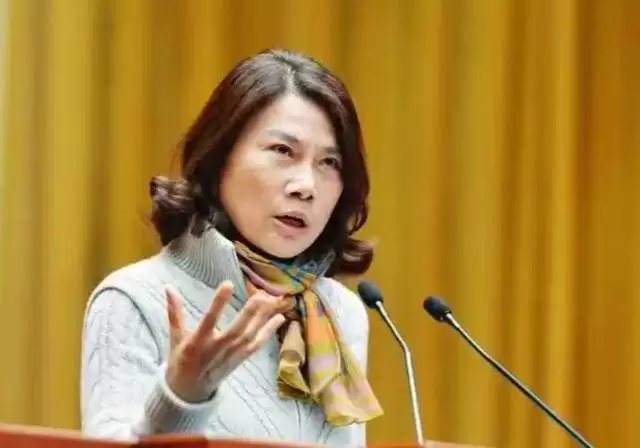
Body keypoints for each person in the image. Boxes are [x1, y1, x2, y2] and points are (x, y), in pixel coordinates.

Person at [80, 48, 383, 447]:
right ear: (219, 159)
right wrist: (180, 397)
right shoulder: (134, 298)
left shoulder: (338, 311)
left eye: (330, 163)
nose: (306, 186)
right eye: (283, 151)